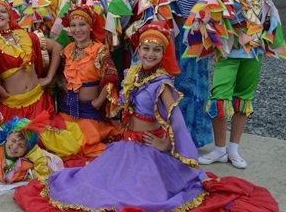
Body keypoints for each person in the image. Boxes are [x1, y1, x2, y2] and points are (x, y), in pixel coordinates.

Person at [14, 22, 279, 211]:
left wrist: (166, 143)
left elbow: (176, 121)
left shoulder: (162, 84)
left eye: (156, 50)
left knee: (137, 194)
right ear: (138, 51)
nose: (150, 54)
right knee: (93, 182)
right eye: (146, 49)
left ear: (164, 54)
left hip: (148, 148)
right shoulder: (134, 73)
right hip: (127, 144)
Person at [185, 0, 286, 169]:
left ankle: (234, 149)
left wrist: (267, 41)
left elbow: (270, 19)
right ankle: (219, 149)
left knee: (243, 99)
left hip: (254, 53)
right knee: (220, 98)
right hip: (228, 53)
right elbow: (203, 16)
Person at [0, 0, 85, 158]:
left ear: (9, 16)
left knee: (52, 144)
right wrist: (3, 92)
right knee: (18, 147)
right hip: (14, 107)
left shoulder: (26, 36)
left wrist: (49, 77)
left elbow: (57, 47)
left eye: (3, 11)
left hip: (39, 101)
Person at [166, 0, 216, 148]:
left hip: (189, 37)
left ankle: (193, 137)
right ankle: (177, 134)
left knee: (191, 85)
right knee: (177, 84)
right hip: (176, 36)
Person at [57, 5, 122, 155]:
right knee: (62, 142)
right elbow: (60, 72)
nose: (77, 29)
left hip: (89, 110)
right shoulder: (68, 49)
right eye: (73, 25)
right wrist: (66, 87)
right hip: (68, 109)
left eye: (82, 24)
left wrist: (98, 101)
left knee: (84, 144)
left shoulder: (99, 50)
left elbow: (111, 76)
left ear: (91, 27)